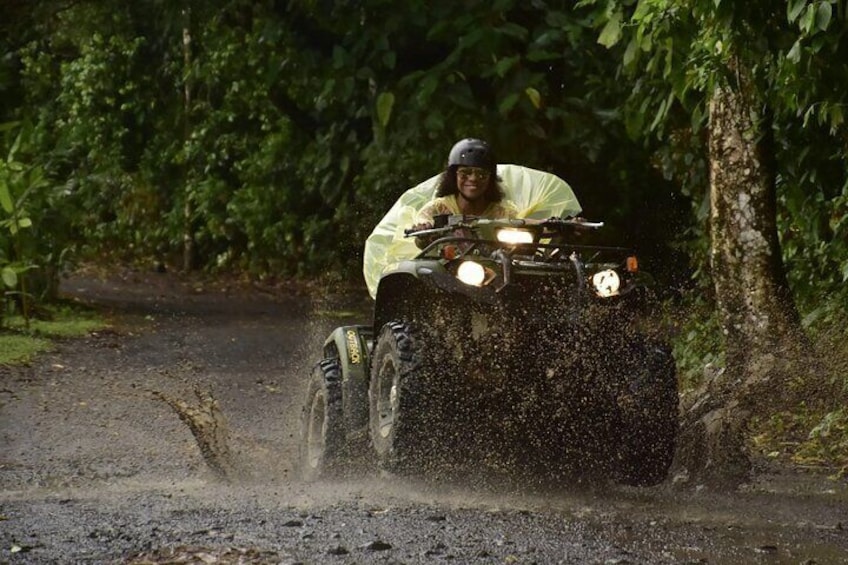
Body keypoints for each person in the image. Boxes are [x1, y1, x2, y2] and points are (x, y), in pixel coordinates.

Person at [412, 138, 518, 247]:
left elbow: (519, 239)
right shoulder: (437, 209)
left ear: (491, 180)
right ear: (454, 176)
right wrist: (423, 231)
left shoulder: (504, 213)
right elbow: (422, 227)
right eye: (465, 173)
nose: (473, 178)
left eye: (482, 174)